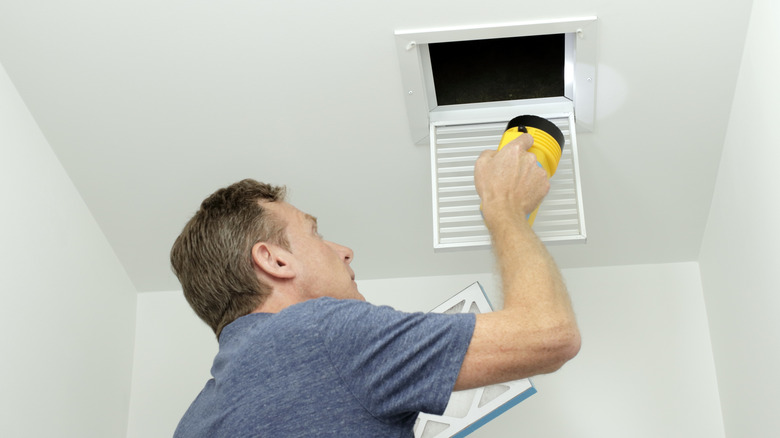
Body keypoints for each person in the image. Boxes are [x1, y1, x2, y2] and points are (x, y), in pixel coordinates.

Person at [170, 134, 581, 437]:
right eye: (315, 233)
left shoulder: (192, 424)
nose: (345, 251)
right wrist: (504, 207)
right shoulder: (318, 333)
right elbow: (549, 334)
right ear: (275, 260)